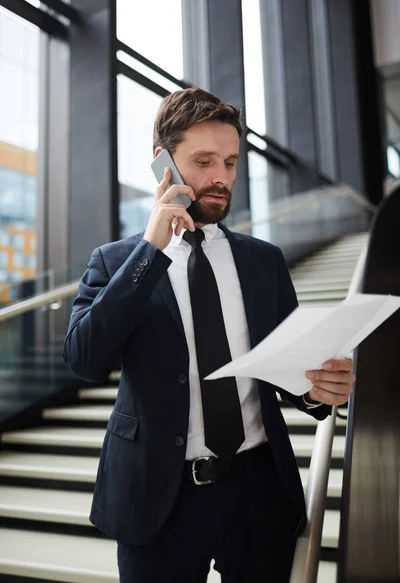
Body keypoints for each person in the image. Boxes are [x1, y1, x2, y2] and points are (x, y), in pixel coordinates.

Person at [63, 87, 355, 583]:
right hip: (160, 500)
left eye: (231, 162)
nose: (221, 177)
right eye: (203, 161)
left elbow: (286, 368)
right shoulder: (115, 262)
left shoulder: (264, 261)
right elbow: (84, 358)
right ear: (164, 164)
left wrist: (317, 390)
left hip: (259, 492)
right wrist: (151, 251)